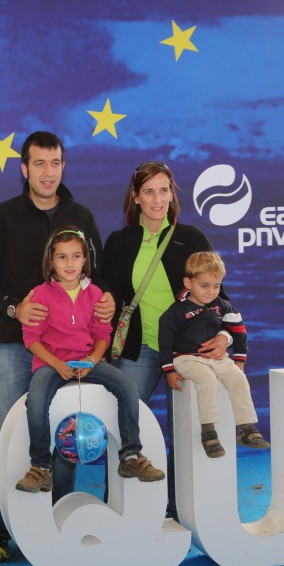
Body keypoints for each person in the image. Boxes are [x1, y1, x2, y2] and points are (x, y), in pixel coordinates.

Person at [0, 131, 114, 562]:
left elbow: (98, 275)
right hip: (16, 347)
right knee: (5, 437)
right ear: (24, 169)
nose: (48, 172)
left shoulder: (81, 216)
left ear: (63, 166)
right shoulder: (1, 217)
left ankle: (58, 522)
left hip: (71, 351)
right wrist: (13, 308)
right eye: (39, 164)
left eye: (55, 163)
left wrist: (107, 298)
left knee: (67, 433)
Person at [101, 161, 230, 518]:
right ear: (135, 197)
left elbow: (220, 294)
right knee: (122, 429)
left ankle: (177, 508)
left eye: (164, 190)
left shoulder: (192, 238)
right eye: (149, 191)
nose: (157, 199)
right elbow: (108, 295)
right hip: (139, 348)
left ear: (172, 194)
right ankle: (116, 509)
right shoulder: (119, 242)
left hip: (186, 351)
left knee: (185, 432)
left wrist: (224, 335)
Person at [15, 227, 164, 493]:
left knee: (128, 386)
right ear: (51, 261)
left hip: (88, 362)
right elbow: (31, 339)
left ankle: (130, 456)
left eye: (76, 256)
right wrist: (57, 364)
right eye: (62, 257)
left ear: (85, 259)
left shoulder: (96, 294)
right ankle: (41, 468)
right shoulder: (39, 294)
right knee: (35, 400)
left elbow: (103, 335)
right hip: (51, 364)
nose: (70, 263)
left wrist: (92, 360)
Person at [158, 251, 269, 457]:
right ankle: (208, 431)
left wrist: (239, 360)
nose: (211, 292)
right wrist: (169, 370)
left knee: (239, 378)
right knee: (207, 379)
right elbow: (164, 342)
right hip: (185, 358)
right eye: (204, 286)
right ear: (188, 283)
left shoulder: (222, 306)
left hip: (217, 358)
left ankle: (246, 428)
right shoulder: (175, 311)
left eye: (216, 286)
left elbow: (239, 330)